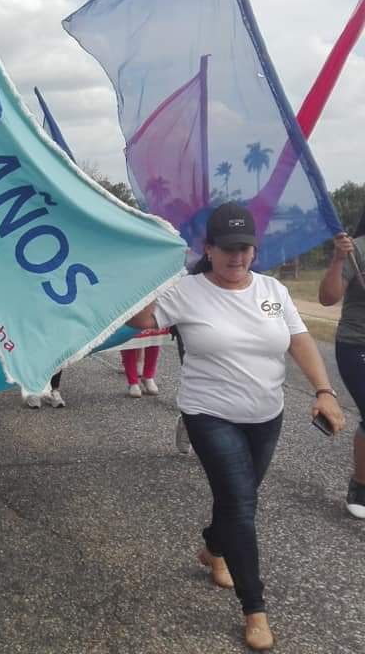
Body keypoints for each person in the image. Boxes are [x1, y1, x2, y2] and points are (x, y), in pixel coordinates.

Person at [127, 203, 344, 651]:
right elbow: (141, 320)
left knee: (237, 499)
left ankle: (213, 547)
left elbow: (299, 339)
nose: (237, 256)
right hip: (209, 413)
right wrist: (147, 273)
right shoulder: (185, 291)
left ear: (254, 248)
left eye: (245, 247)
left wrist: (325, 391)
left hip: (267, 414)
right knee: (242, 504)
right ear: (208, 249)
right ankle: (255, 609)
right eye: (227, 248)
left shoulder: (272, 290)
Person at [317, 209, 365, 519]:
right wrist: (337, 260)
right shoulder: (356, 249)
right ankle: (360, 485)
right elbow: (326, 298)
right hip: (356, 344)